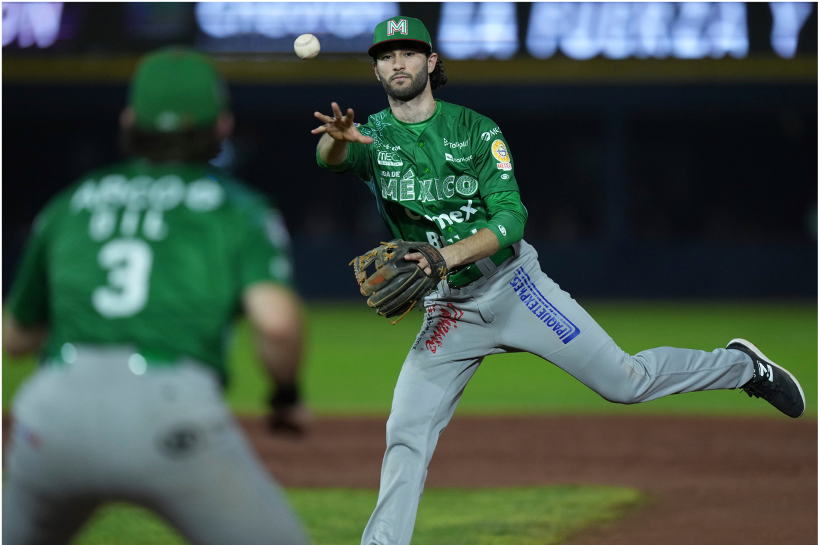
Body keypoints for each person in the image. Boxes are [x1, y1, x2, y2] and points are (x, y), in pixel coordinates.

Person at [312, 16, 807, 545]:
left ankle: (740, 366)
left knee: (625, 382)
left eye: (408, 53)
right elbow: (331, 159)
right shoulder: (372, 136)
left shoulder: (475, 130)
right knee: (405, 433)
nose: (397, 63)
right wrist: (338, 142)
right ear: (376, 69)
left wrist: (441, 256)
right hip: (449, 310)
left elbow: (510, 221)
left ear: (431, 62)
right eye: (386, 56)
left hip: (514, 289)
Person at [1, 47, 310, 545]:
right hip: (169, 410)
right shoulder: (236, 207)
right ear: (222, 127)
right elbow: (276, 324)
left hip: (52, 414)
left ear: (128, 120)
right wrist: (286, 396)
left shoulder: (72, 201)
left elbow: (16, 339)